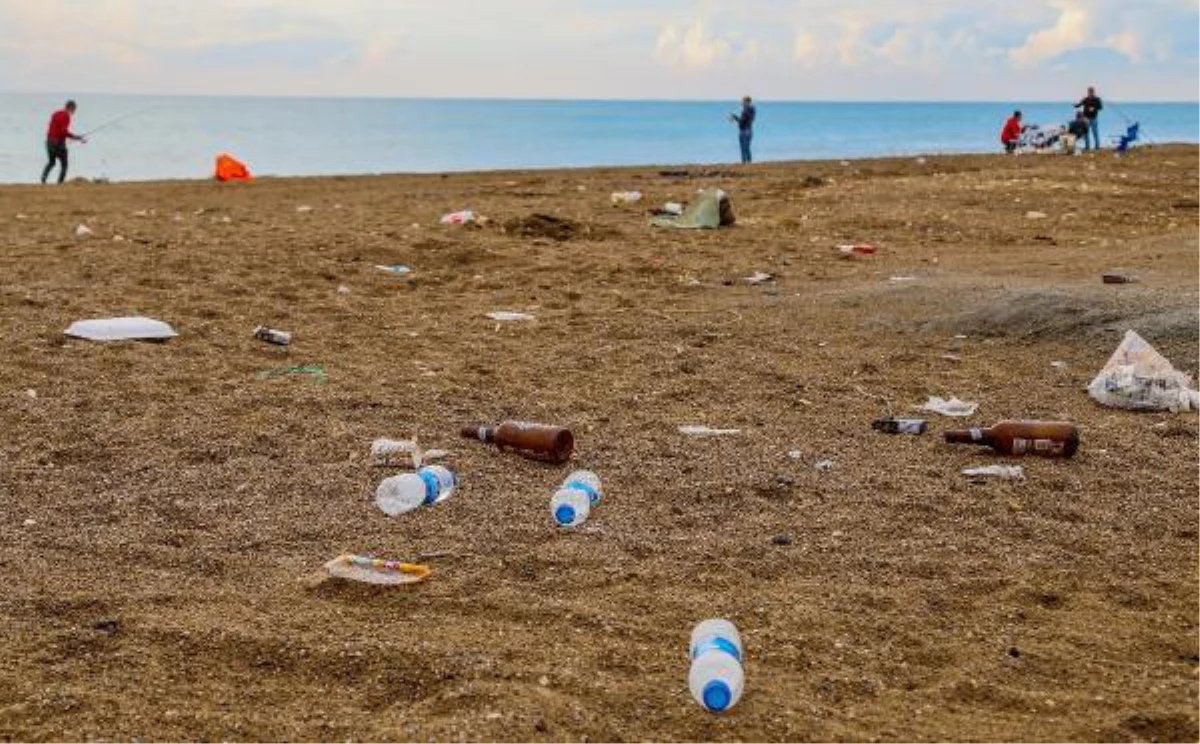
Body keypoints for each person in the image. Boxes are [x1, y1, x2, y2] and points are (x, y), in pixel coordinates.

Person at [41, 100, 86, 184]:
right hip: (58, 144)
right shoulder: (66, 116)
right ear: (71, 108)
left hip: (49, 142)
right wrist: (77, 137)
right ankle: (60, 182)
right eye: (74, 110)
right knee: (64, 165)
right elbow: (63, 131)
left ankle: (43, 178)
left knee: (51, 162)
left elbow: (54, 129)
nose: (74, 112)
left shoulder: (55, 113)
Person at [1074, 86, 1103, 151]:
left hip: (1094, 118)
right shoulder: (1085, 99)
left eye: (1091, 91)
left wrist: (1094, 108)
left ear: (1093, 92)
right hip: (1086, 119)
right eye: (1089, 92)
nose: (1090, 93)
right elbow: (1079, 104)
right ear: (1088, 92)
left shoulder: (1097, 99)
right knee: (1086, 133)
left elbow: (1101, 107)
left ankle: (1097, 147)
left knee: (1095, 133)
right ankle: (1087, 147)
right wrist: (1075, 105)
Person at [730, 96, 756, 164]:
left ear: (747, 102)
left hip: (745, 131)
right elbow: (745, 120)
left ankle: (744, 163)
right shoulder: (751, 110)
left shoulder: (746, 110)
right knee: (746, 148)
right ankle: (749, 162)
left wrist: (735, 117)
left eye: (743, 101)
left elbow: (742, 121)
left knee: (744, 148)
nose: (742, 103)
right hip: (748, 130)